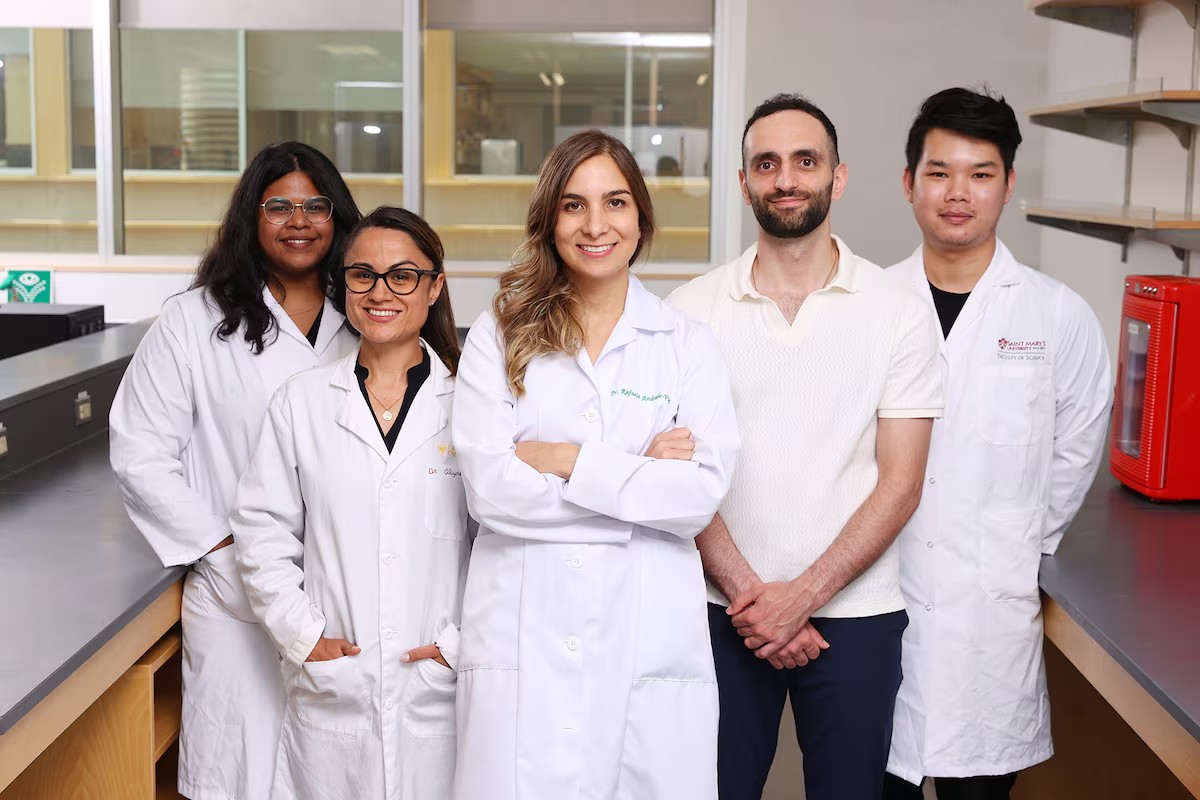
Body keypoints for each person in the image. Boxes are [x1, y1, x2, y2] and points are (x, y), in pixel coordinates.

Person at [667, 93, 945, 800]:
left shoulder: (899, 316)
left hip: (855, 615)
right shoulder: (687, 314)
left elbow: (901, 484)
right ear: (744, 183)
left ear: (838, 177)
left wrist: (803, 598)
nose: (786, 178)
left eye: (805, 161)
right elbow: (676, 472)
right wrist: (752, 597)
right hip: (717, 612)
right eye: (767, 163)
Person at [451, 129, 740, 800]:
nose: (595, 224)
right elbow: (491, 491)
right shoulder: (501, 332)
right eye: (574, 205)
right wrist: (637, 479)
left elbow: (696, 499)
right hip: (526, 640)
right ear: (550, 218)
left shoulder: (686, 345)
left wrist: (566, 458)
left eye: (615, 202)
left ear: (640, 216)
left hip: (644, 640)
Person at [110, 141, 361, 800]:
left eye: (316, 205)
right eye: (279, 205)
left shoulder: (368, 315)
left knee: (339, 775)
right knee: (240, 774)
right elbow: (140, 449)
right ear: (251, 218)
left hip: (348, 594)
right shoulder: (193, 322)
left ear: (338, 220)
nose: (299, 220)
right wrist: (222, 550)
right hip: (238, 598)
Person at [882, 88, 1112, 800]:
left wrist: (1015, 544)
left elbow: (1076, 449)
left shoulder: (1056, 316)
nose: (958, 193)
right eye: (939, 172)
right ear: (909, 183)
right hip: (880, 605)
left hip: (991, 616)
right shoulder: (869, 306)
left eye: (980, 174)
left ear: (1009, 185)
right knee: (872, 782)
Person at [230, 206, 468, 800]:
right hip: (336, 686)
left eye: (403, 275)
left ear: (435, 286)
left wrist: (460, 645)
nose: (380, 291)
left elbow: (502, 541)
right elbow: (261, 531)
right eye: (362, 275)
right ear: (343, 287)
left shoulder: (471, 405)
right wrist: (303, 635)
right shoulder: (302, 402)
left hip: (437, 683)